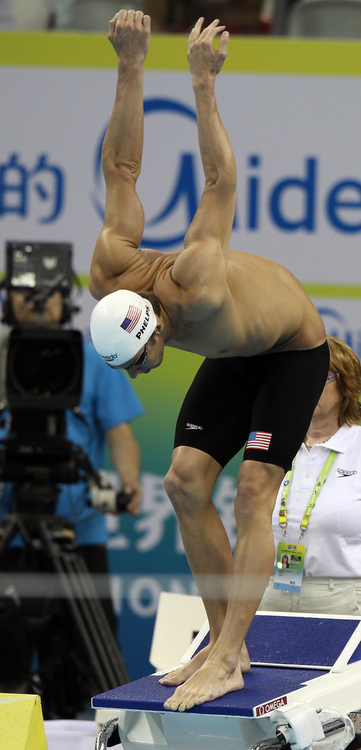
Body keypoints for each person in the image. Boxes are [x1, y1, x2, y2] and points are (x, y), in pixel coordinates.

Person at [88, 10, 329, 711]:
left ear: (158, 325)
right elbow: (122, 166)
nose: (139, 373)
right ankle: (226, 643)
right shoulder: (112, 267)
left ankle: (225, 656)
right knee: (184, 485)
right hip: (233, 356)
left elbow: (220, 181)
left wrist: (202, 83)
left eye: (142, 359)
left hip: (288, 352)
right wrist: (130, 65)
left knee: (253, 491)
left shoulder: (195, 274)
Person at [0, 287, 144, 716]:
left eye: (46, 294)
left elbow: (119, 432)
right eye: (24, 293)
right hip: (10, 534)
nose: (37, 303)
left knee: (88, 664)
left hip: (77, 534)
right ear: (8, 302)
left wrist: (130, 481)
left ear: (68, 300)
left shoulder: (92, 358)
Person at [259, 336, 361, 616]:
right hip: (276, 587)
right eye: (298, 378)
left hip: (344, 595)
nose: (306, 386)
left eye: (320, 377)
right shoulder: (277, 443)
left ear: (347, 384)